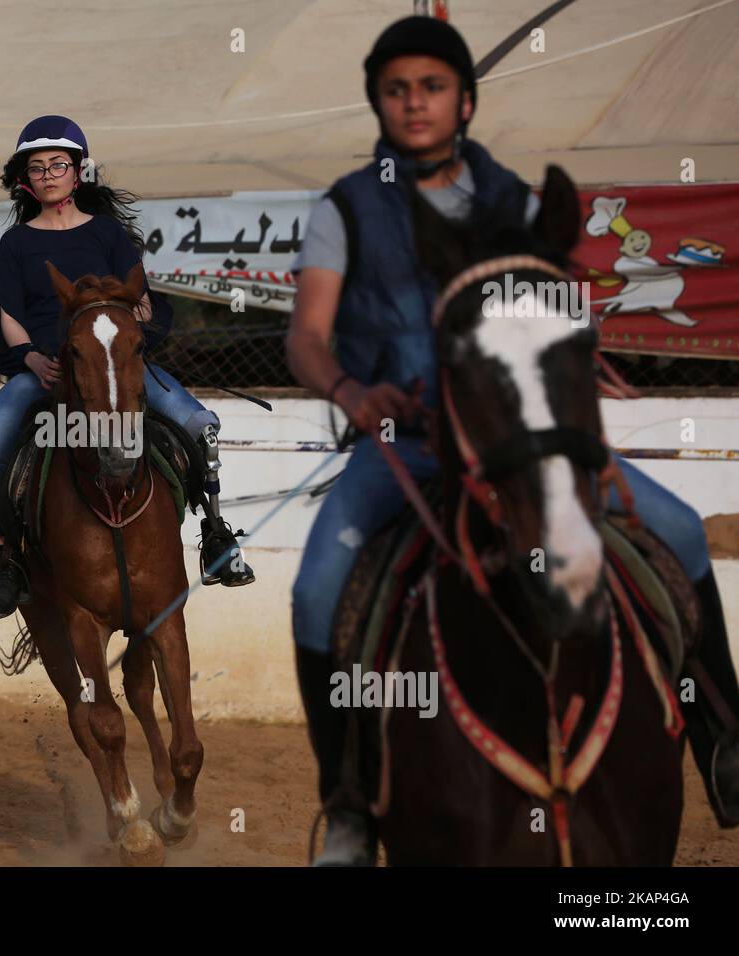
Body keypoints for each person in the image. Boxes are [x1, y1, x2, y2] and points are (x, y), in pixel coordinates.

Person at [284, 15, 739, 864]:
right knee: (317, 591)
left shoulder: (519, 202)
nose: (414, 104)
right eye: (397, 89)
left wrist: (573, 359)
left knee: (677, 534)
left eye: (432, 87)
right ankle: (347, 803)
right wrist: (347, 388)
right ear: (378, 101)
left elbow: (557, 306)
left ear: (465, 99)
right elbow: (307, 334)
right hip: (406, 444)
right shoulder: (345, 208)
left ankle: (724, 740)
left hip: (526, 440)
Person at [0, 114, 255, 619]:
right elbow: (11, 318)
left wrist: (129, 326)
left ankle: (215, 538)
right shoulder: (15, 243)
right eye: (37, 167)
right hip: (46, 372)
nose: (49, 174)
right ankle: (8, 563)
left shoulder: (108, 233)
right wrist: (33, 358)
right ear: (24, 180)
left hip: (114, 364)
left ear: (80, 172)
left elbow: (139, 300)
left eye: (59, 164)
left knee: (201, 424)